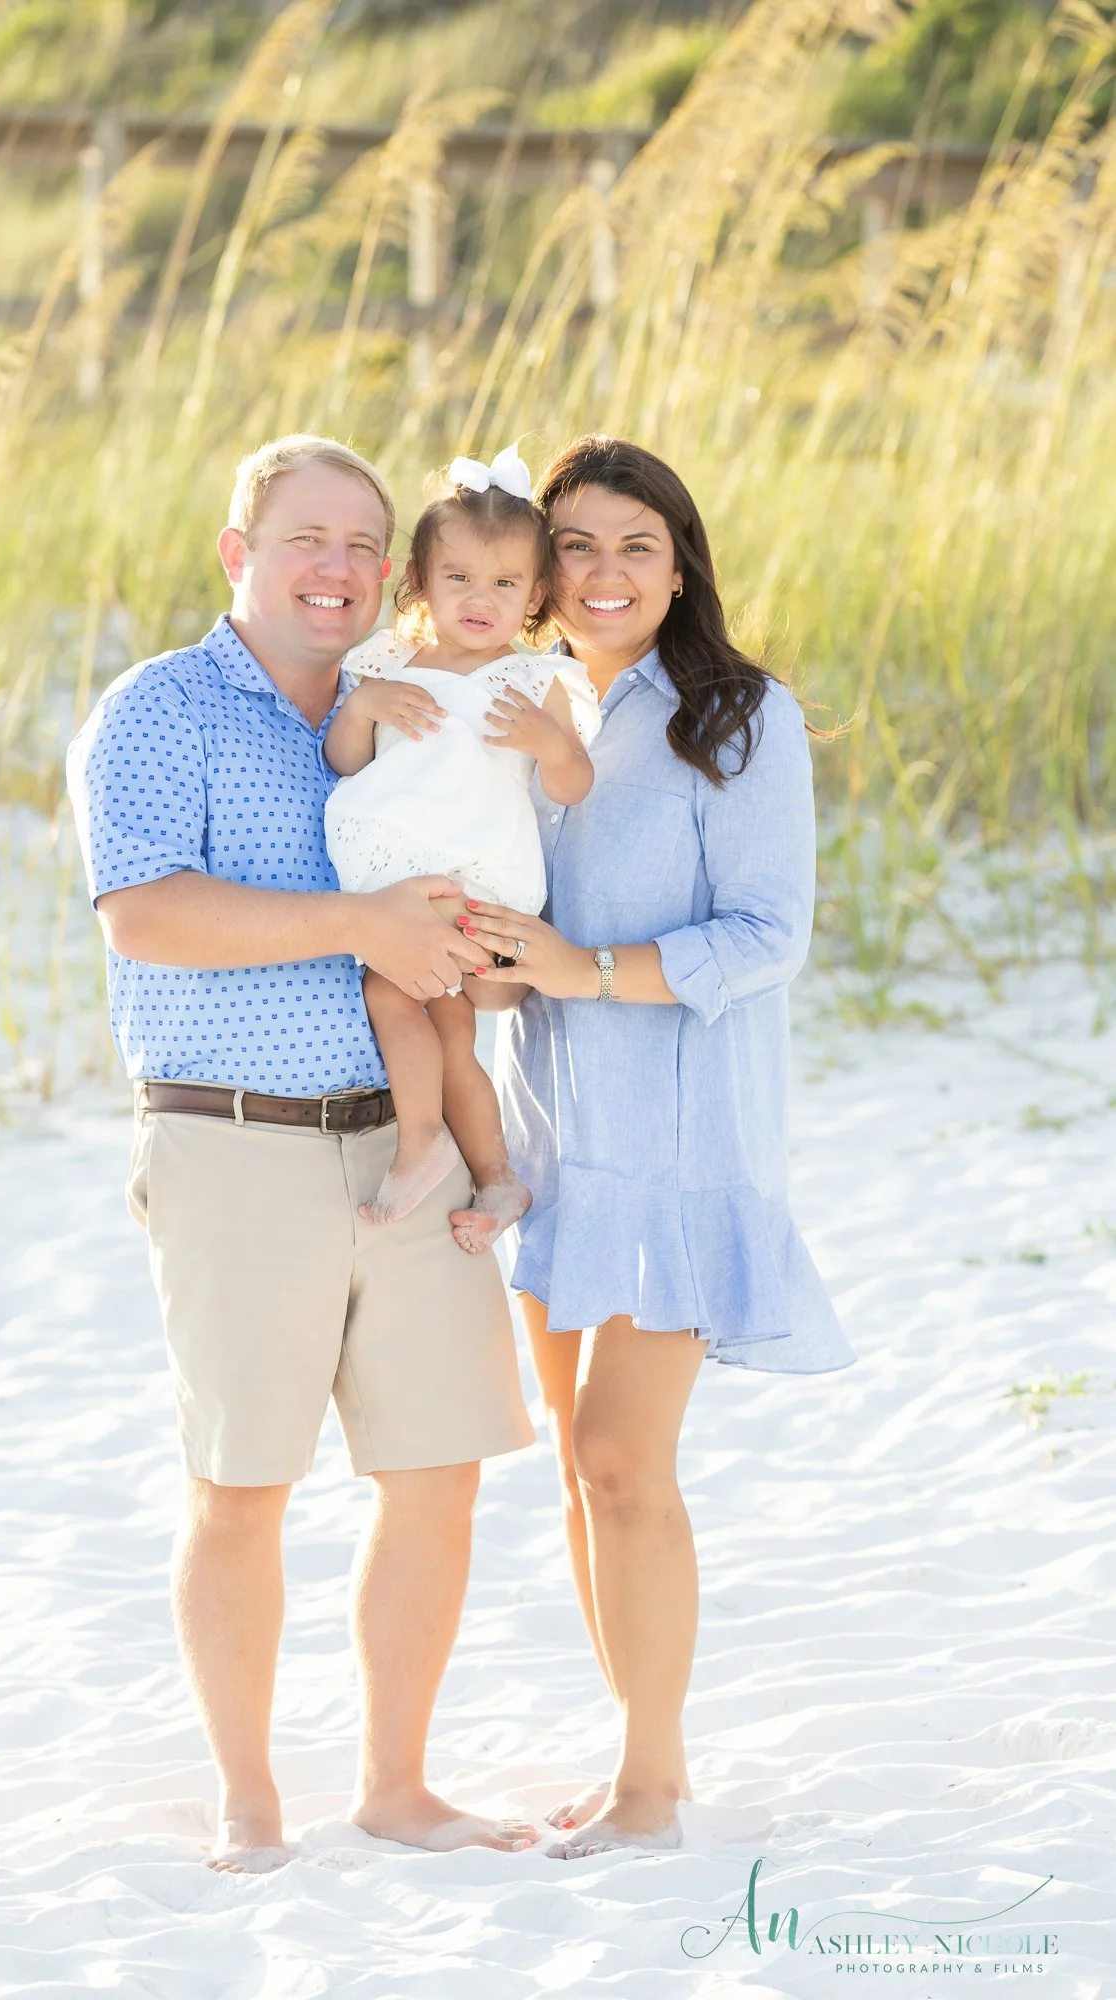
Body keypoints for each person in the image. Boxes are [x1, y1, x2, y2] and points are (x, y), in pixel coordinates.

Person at [66, 434, 538, 1874]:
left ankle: (395, 1785)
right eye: (303, 541)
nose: (334, 571)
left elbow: (474, 885)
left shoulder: (416, 709)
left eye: (359, 546)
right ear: (239, 555)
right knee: (242, 1483)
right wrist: (362, 927)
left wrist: (487, 956)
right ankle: (248, 1797)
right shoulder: (157, 712)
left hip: (410, 1150)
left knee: (440, 1468)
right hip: (236, 1145)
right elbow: (143, 915)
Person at [465, 434, 857, 1859]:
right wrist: (497, 966)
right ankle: (643, 1760)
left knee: (627, 1461)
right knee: (578, 1467)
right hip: (557, 1144)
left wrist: (583, 969)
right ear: (538, 571)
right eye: (576, 545)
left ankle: (649, 1785)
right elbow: (516, 919)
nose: (605, 571)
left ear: (677, 560)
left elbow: (767, 938)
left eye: (635, 543)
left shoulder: (738, 717)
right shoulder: (525, 706)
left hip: (684, 1149)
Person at [323, 444, 592, 1249]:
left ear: (536, 595)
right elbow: (345, 760)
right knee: (443, 1031)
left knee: (391, 995)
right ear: (420, 583)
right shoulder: (388, 662)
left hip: (477, 881)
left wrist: (551, 743)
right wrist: (364, 704)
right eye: (460, 579)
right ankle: (498, 1175)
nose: (482, 599)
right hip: (405, 881)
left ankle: (419, 1143)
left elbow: (572, 785)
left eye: (506, 584)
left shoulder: (534, 679)